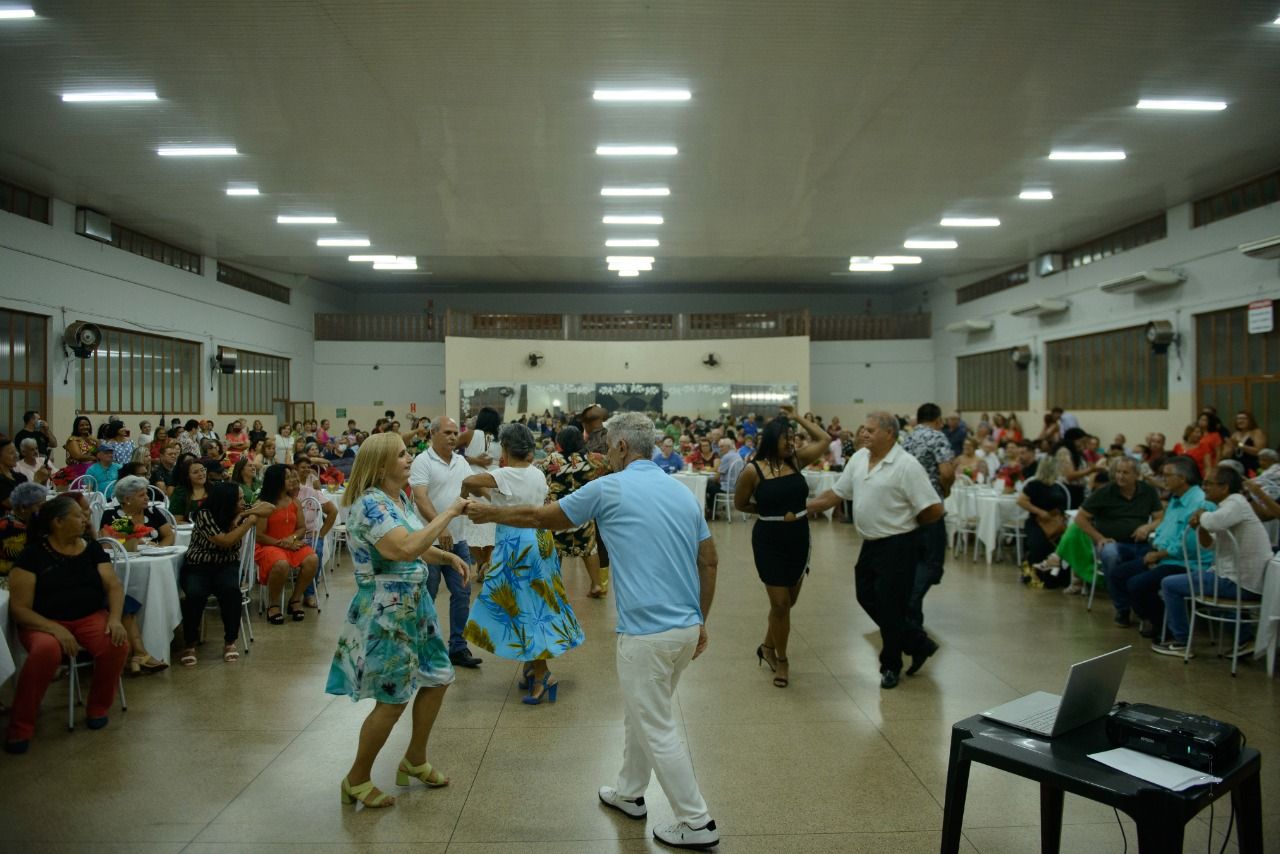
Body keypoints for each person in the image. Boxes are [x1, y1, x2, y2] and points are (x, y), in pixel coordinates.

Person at [466, 411, 719, 848]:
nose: (603, 452)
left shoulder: (610, 488)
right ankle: (629, 792)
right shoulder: (680, 493)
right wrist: (701, 619)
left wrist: (487, 511)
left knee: (656, 723)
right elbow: (709, 560)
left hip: (647, 634)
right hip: (683, 628)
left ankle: (697, 822)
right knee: (643, 712)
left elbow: (543, 517)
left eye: (607, 445)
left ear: (622, 447)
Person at [326, 432, 469, 808]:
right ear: (380, 464)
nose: (410, 459)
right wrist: (449, 512)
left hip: (414, 608)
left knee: (438, 677)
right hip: (386, 612)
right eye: (403, 455)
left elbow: (416, 542)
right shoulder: (370, 505)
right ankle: (356, 779)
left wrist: (445, 557)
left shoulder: (397, 497)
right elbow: (403, 548)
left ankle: (415, 759)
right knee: (392, 699)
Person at [808, 412, 944, 689]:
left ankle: (891, 666)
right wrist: (803, 507)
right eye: (863, 429)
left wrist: (908, 529)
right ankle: (918, 642)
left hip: (899, 543)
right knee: (866, 595)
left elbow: (933, 508)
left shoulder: (906, 465)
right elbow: (837, 493)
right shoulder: (859, 458)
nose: (864, 434)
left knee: (890, 604)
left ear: (889, 434)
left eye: (870, 430)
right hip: (871, 543)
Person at [461, 424, 584, 703]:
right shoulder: (537, 473)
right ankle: (531, 667)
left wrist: (474, 499)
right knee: (539, 602)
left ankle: (543, 674)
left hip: (516, 545)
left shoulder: (502, 474)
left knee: (525, 608)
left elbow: (469, 482)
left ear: (504, 449)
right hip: (541, 540)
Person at [3, 496, 130, 753]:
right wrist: (54, 628)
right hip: (43, 621)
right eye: (78, 516)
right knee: (46, 650)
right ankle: (21, 724)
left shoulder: (92, 549)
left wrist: (115, 618)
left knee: (115, 642)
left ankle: (98, 706)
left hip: (89, 615)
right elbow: (19, 608)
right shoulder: (33, 555)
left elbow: (113, 585)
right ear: (58, 522)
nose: (85, 519)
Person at [734, 407, 826, 689]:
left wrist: (798, 419)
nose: (792, 442)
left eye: (794, 438)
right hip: (769, 539)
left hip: (798, 536)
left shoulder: (797, 461)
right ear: (772, 439)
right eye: (787, 438)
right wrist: (767, 510)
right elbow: (740, 503)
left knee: (787, 604)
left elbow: (823, 440)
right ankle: (782, 660)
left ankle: (766, 646)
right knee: (780, 603)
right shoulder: (753, 470)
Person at [1152, 465, 1270, 657]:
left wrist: (1200, 516)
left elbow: (1212, 522)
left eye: (1208, 483)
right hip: (1242, 580)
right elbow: (1210, 545)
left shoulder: (1236, 503)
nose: (1203, 487)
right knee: (1206, 579)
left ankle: (1181, 641)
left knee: (1169, 584)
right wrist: (1203, 525)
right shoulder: (1228, 507)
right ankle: (1244, 639)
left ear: (1224, 488)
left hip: (1240, 583)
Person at [409, 416, 483, 668]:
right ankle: (424, 647)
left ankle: (458, 648)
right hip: (428, 541)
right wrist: (440, 527)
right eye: (448, 432)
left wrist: (498, 491)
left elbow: (472, 487)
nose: (453, 437)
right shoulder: (422, 462)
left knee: (462, 593)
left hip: (458, 539)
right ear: (433, 434)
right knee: (426, 595)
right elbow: (420, 498)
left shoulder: (461, 462)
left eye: (455, 433)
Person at [1108, 457, 1213, 635]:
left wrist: (1159, 555)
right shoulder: (1176, 498)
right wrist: (1154, 548)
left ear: (1182, 478)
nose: (1163, 480)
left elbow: (1188, 543)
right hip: (1165, 556)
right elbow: (1165, 527)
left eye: (1167, 476)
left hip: (1186, 562)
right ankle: (1153, 618)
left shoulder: (1198, 502)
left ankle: (1166, 627)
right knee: (1118, 574)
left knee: (1137, 584)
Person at [178, 482, 265, 666]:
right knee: (194, 595)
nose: (243, 501)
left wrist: (243, 514)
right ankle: (190, 643)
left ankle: (230, 642)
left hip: (226, 565)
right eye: (239, 499)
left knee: (231, 592)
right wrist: (248, 522)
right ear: (227, 501)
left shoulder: (239, 510)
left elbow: (269, 507)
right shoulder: (204, 515)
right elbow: (225, 541)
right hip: (198, 566)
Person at [98, 475, 174, 674]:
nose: (146, 498)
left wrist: (158, 548)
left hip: (152, 561)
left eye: (146, 494)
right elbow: (107, 544)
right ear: (127, 499)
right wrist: (131, 539)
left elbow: (168, 535)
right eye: (141, 495)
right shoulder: (114, 516)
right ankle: (138, 655)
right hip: (120, 567)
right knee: (123, 600)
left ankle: (137, 656)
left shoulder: (152, 512)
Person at [1067, 456, 1163, 594]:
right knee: (1110, 554)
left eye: (1125, 472)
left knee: (1156, 559)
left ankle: (1140, 600)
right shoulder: (1104, 492)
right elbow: (1080, 518)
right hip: (1111, 542)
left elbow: (1160, 518)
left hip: (1140, 543)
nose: (1120, 476)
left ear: (1137, 475)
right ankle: (1121, 604)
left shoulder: (1148, 491)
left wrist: (1147, 527)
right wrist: (1099, 538)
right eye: (1118, 472)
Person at [901, 403, 955, 636]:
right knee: (933, 565)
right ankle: (909, 605)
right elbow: (946, 472)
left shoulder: (907, 440)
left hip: (908, 509)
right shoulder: (937, 437)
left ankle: (913, 622)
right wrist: (946, 489)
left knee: (914, 563)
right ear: (938, 419)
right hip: (930, 507)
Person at [540, 425, 609, 597]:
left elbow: (538, 473)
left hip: (557, 510)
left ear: (560, 442)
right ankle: (596, 585)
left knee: (556, 548)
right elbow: (610, 466)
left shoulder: (553, 459)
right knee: (589, 548)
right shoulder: (592, 458)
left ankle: (554, 587)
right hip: (583, 508)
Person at [253, 464, 319, 624]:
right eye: (287, 477)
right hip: (268, 546)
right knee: (281, 564)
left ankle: (295, 599)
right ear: (277, 480)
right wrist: (283, 543)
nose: (292, 480)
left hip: (291, 543)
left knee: (312, 559)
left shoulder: (294, 502)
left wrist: (293, 538)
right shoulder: (263, 504)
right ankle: (273, 604)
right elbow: (259, 536)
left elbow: (302, 528)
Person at [460, 406, 502, 574]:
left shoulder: (470, 434)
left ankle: (481, 562)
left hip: (473, 479)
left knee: (471, 524)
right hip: (494, 480)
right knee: (492, 523)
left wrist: (474, 460)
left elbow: (448, 451)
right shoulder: (501, 440)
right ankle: (486, 563)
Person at [293, 454, 337, 610]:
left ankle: (309, 593)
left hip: (309, 535)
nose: (293, 482)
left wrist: (322, 535)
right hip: (287, 537)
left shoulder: (310, 491)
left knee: (316, 550)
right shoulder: (282, 494)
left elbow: (333, 511)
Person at [1, 482, 47, 587]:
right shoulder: (12, 528)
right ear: (23, 507)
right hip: (9, 578)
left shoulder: (23, 521)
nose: (44, 510)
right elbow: (27, 561)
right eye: (40, 506)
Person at [1054, 427, 1102, 508]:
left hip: (1078, 490)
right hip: (1068, 491)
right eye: (1082, 442)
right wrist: (1091, 470)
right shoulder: (1064, 451)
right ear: (1073, 441)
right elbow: (1070, 475)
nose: (1084, 445)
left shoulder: (1078, 453)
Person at [1223, 411, 1268, 475]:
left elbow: (1259, 451)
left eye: (1244, 418)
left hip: (1252, 467)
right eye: (1238, 419)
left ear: (1250, 420)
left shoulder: (1256, 432)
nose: (1240, 421)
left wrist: (1239, 445)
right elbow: (1227, 454)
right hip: (1237, 468)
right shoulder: (1235, 434)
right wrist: (1228, 447)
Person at [169, 457, 210, 522]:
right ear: (187, 476)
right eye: (195, 472)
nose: (201, 474)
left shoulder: (215, 488)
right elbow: (176, 521)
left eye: (203, 470)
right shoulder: (180, 493)